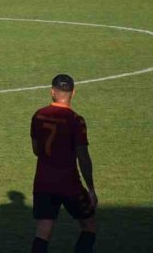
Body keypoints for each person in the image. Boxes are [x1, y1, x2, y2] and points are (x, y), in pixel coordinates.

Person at [30, 74, 97, 253]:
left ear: (52, 91)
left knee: (44, 229)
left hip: (43, 181)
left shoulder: (39, 115)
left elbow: (36, 149)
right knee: (89, 225)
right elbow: (83, 156)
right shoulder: (76, 121)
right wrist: (90, 188)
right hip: (69, 184)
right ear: (73, 93)